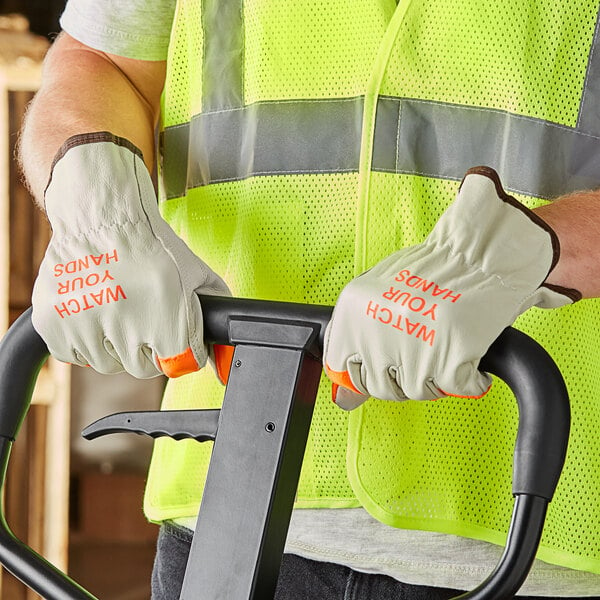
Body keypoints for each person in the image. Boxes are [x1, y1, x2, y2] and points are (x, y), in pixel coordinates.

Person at [18, 1, 600, 598]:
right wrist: (95, 203)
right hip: (229, 512)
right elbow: (104, 61)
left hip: (537, 535)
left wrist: (532, 250)